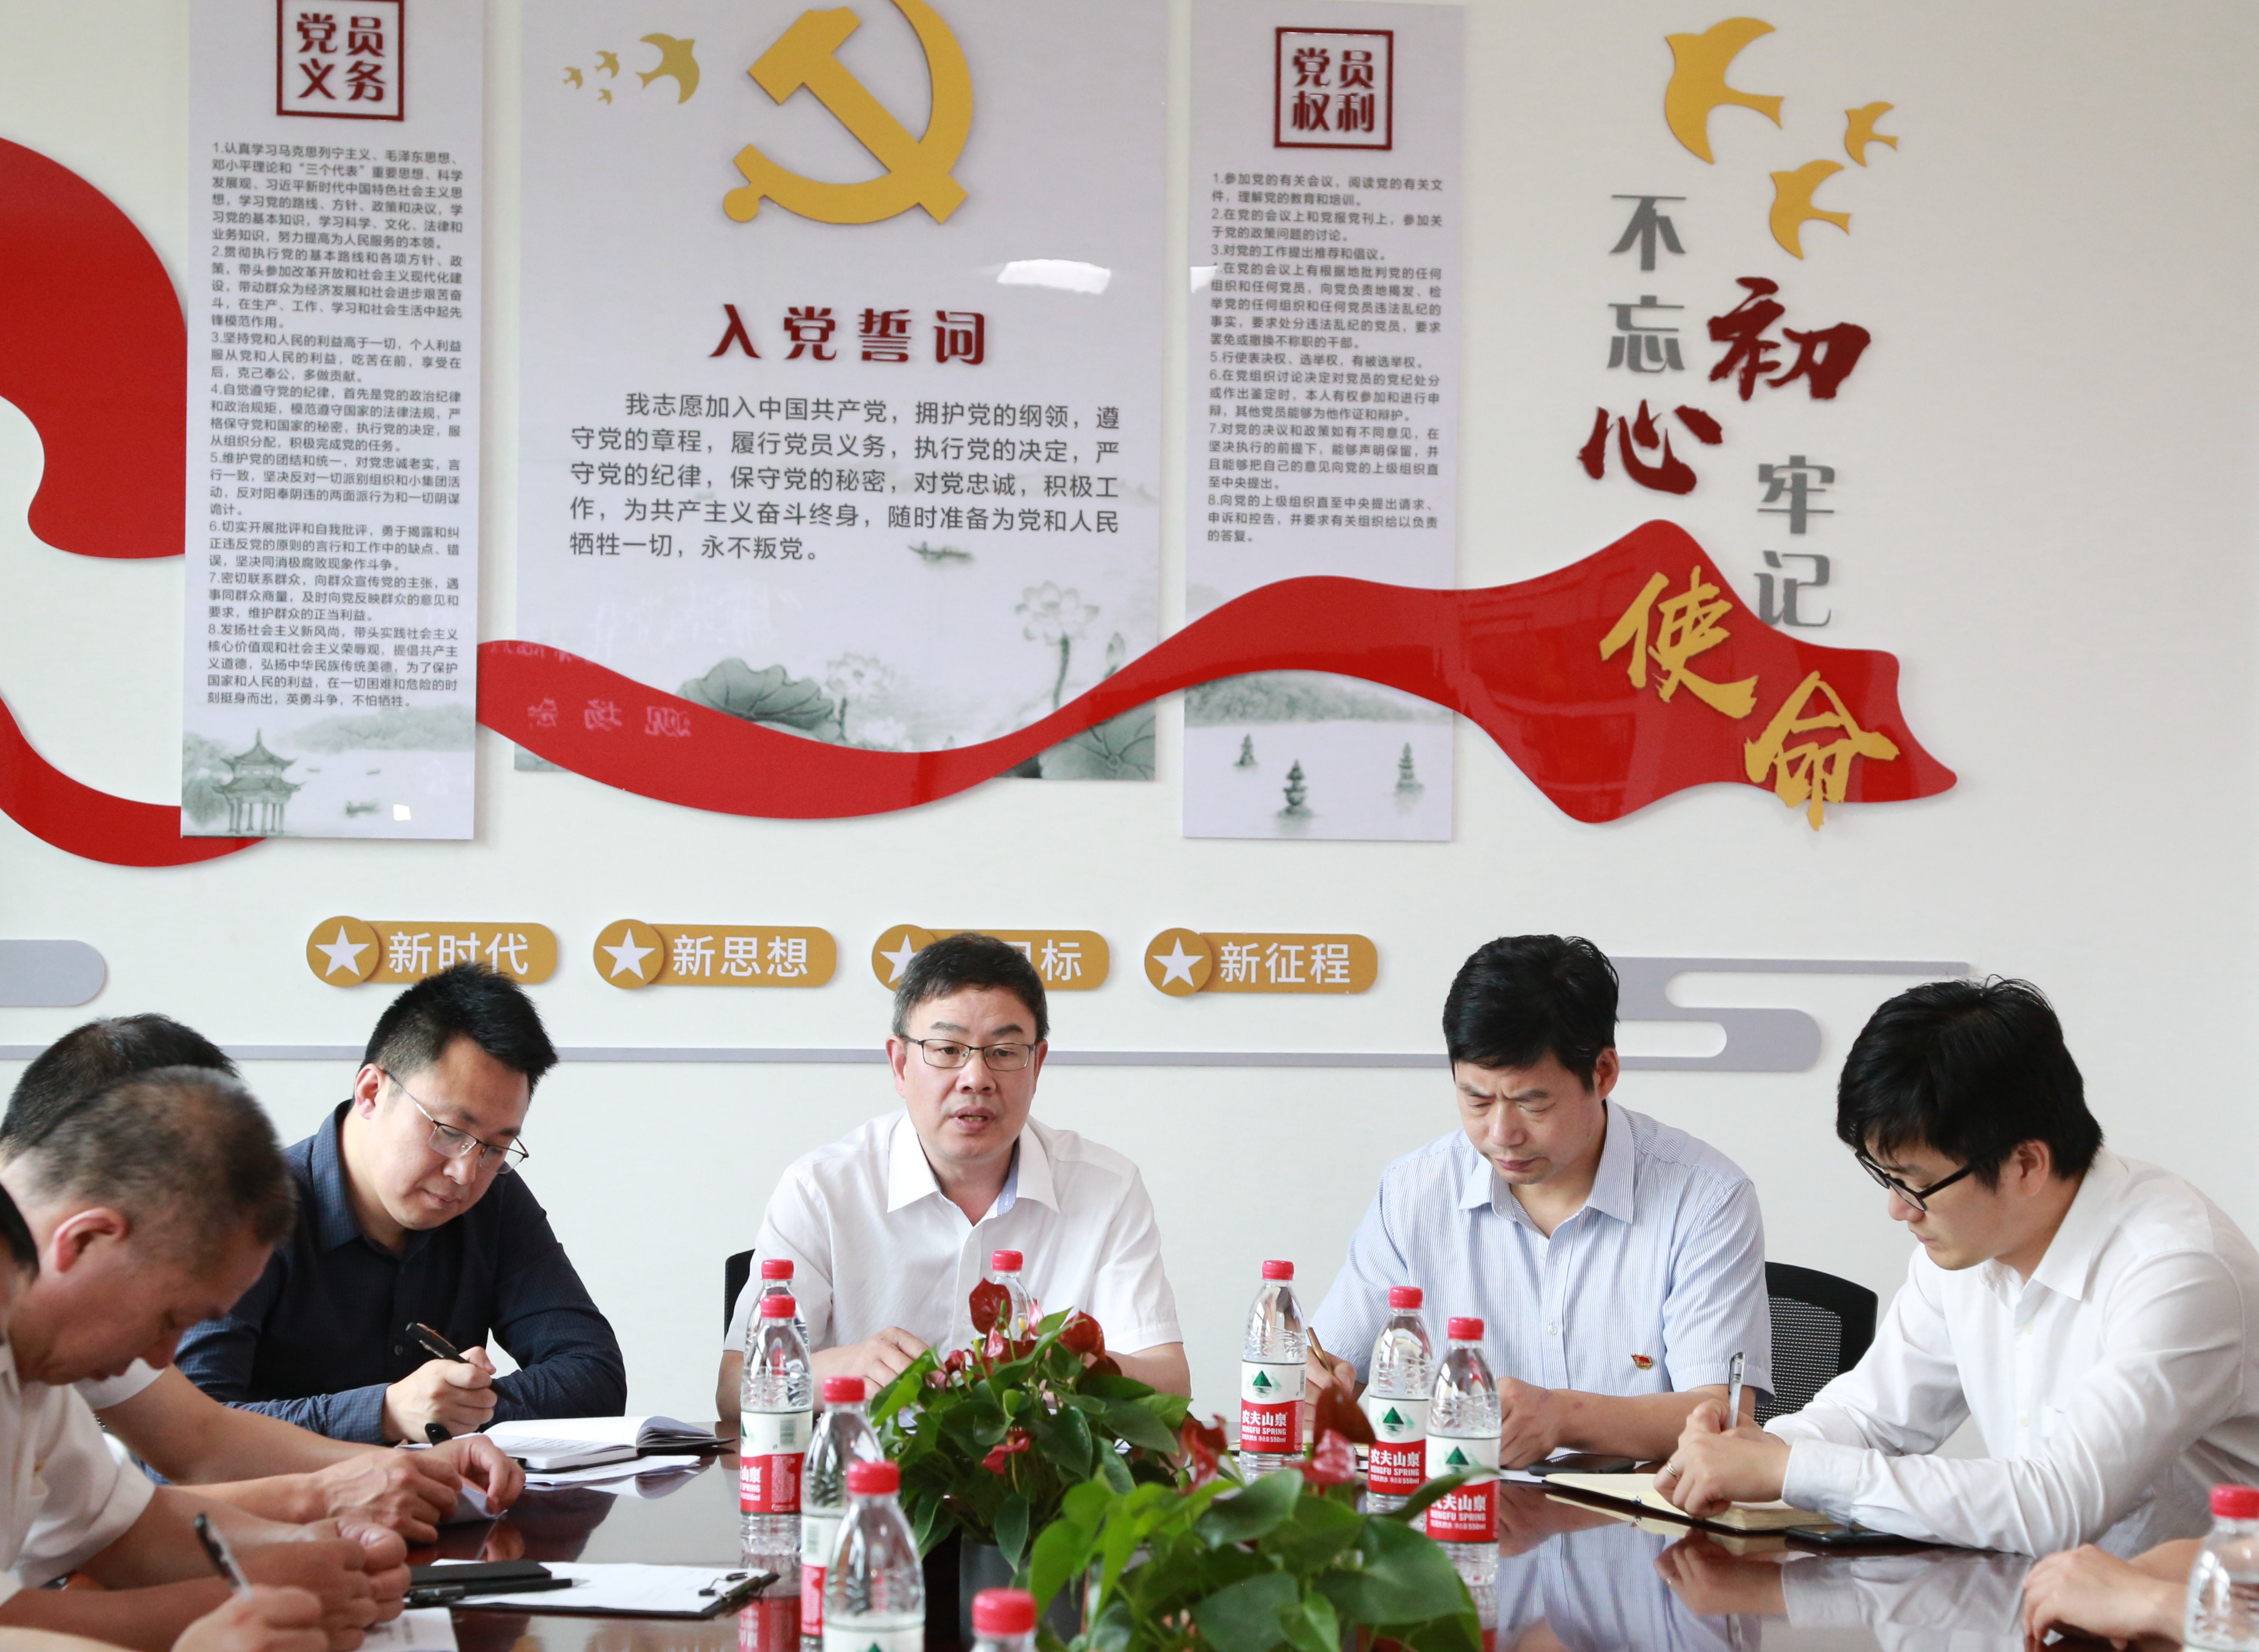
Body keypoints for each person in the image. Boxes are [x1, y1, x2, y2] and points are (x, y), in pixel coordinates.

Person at [1657, 977, 2259, 1554]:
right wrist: (1748, 1448)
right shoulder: (1965, 1245)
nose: (1898, 1209)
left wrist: (1788, 1468)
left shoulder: (2177, 1270)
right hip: (2041, 1594)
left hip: (2195, 1607)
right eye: (1887, 1177)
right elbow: (1871, 1417)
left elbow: (2058, 1505)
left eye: (1915, 1183)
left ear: (2026, 1164)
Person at [4, 1016, 523, 1539]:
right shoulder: (73, 1312)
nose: (161, 1358)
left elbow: (197, 1444)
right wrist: (327, 1494)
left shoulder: (64, 1308)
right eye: (168, 1320)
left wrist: (401, 1469)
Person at [1308, 935, 1771, 1466]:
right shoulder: (1414, 1191)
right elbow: (1333, 1368)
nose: (1501, 1133)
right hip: (1458, 1503)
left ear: (1602, 1073)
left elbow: (1719, 1417)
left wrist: (1562, 1416)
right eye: (1477, 1099)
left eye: (1531, 1103)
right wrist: (1315, 1389)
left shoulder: (1706, 1196)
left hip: (1637, 1513)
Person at [0, 1068, 407, 1651]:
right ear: (86, 1239)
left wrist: (301, 1552)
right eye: (169, 1319)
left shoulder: (40, 1359)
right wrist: (232, 1609)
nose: (162, 1358)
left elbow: (119, 1530)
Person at [717, 932, 1187, 1425]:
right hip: (862, 1468)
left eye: (1004, 1051)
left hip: (1034, 1471)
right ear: (900, 1064)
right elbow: (732, 1387)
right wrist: (843, 1368)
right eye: (947, 1049)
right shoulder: (821, 1189)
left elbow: (1170, 1380)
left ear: (1037, 1065)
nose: (976, 1077)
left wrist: (1081, 1367)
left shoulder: (1106, 1188)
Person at [176, 965, 626, 1444]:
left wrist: (453, 1407)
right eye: (449, 1131)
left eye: (496, 1147)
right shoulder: (244, 1210)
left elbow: (593, 1373)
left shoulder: (494, 1197)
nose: (466, 1172)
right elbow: (184, 1434)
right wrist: (385, 1413)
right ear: (371, 1092)